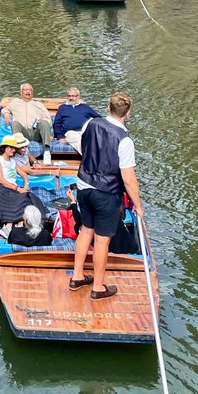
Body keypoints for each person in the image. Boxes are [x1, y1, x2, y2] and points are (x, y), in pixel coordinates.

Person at [69, 92, 144, 301]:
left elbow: (85, 149)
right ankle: (99, 287)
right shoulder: (125, 140)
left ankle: (77, 277)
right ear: (127, 113)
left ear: (109, 108)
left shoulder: (91, 124)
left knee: (86, 231)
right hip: (106, 193)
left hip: (84, 186)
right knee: (102, 241)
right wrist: (138, 205)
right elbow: (128, 178)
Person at [0, 137, 46, 225]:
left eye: (14, 148)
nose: (14, 150)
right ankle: (10, 224)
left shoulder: (13, 161)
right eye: (11, 148)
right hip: (0, 188)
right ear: (5, 148)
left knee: (29, 198)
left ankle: (20, 224)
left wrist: (26, 185)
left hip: (12, 188)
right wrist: (18, 189)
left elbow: (24, 174)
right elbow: (1, 180)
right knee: (21, 197)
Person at [0, 82, 53, 149]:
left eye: (30, 90)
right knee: (14, 123)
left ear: (32, 93)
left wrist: (43, 121)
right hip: (22, 134)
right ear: (21, 92)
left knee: (45, 123)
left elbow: (49, 120)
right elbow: (4, 110)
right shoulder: (15, 102)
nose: (28, 91)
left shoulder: (39, 104)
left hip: (36, 133)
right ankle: (17, 149)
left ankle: (47, 151)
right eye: (25, 90)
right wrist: (7, 114)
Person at [52, 88, 100, 152]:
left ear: (78, 96)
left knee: (93, 139)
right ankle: (88, 159)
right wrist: (60, 137)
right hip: (70, 133)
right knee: (78, 139)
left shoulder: (85, 107)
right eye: (69, 96)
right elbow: (56, 124)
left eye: (73, 96)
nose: (71, 98)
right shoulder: (63, 108)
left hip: (84, 132)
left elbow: (98, 118)